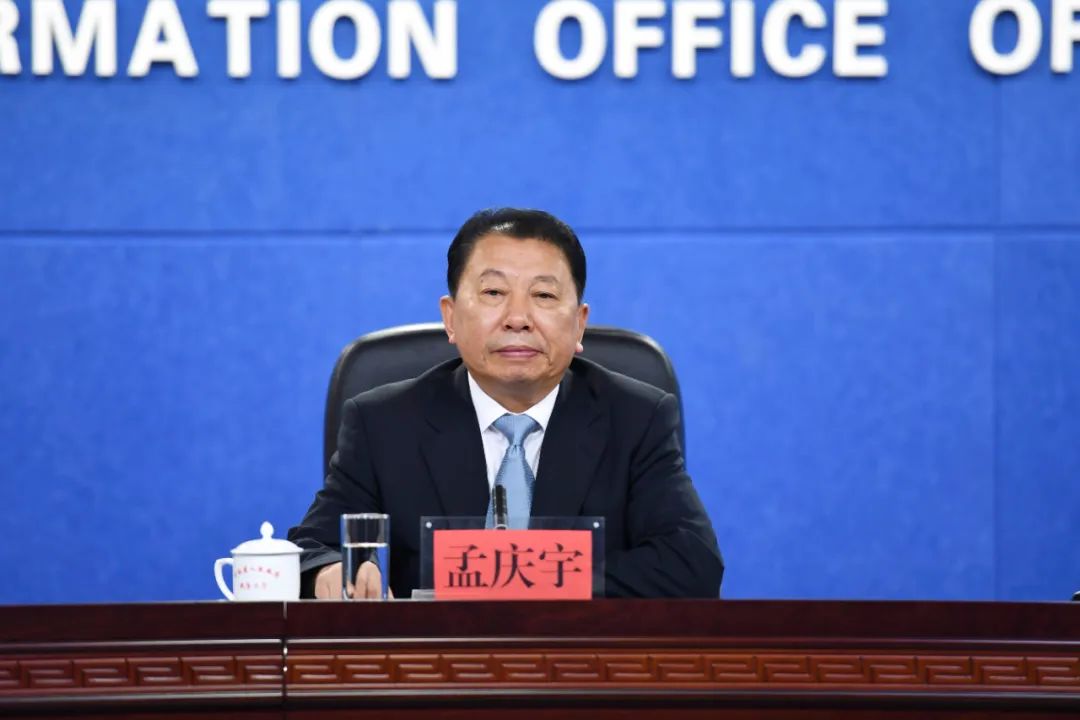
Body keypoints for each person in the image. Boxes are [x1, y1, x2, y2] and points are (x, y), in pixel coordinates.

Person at [288, 208, 723, 599]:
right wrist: (329, 571)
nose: (518, 318)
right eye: (494, 293)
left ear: (579, 325)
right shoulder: (384, 423)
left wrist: (526, 581)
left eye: (544, 296)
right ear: (450, 317)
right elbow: (310, 550)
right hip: (434, 659)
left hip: (576, 657)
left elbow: (692, 563)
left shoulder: (635, 418)